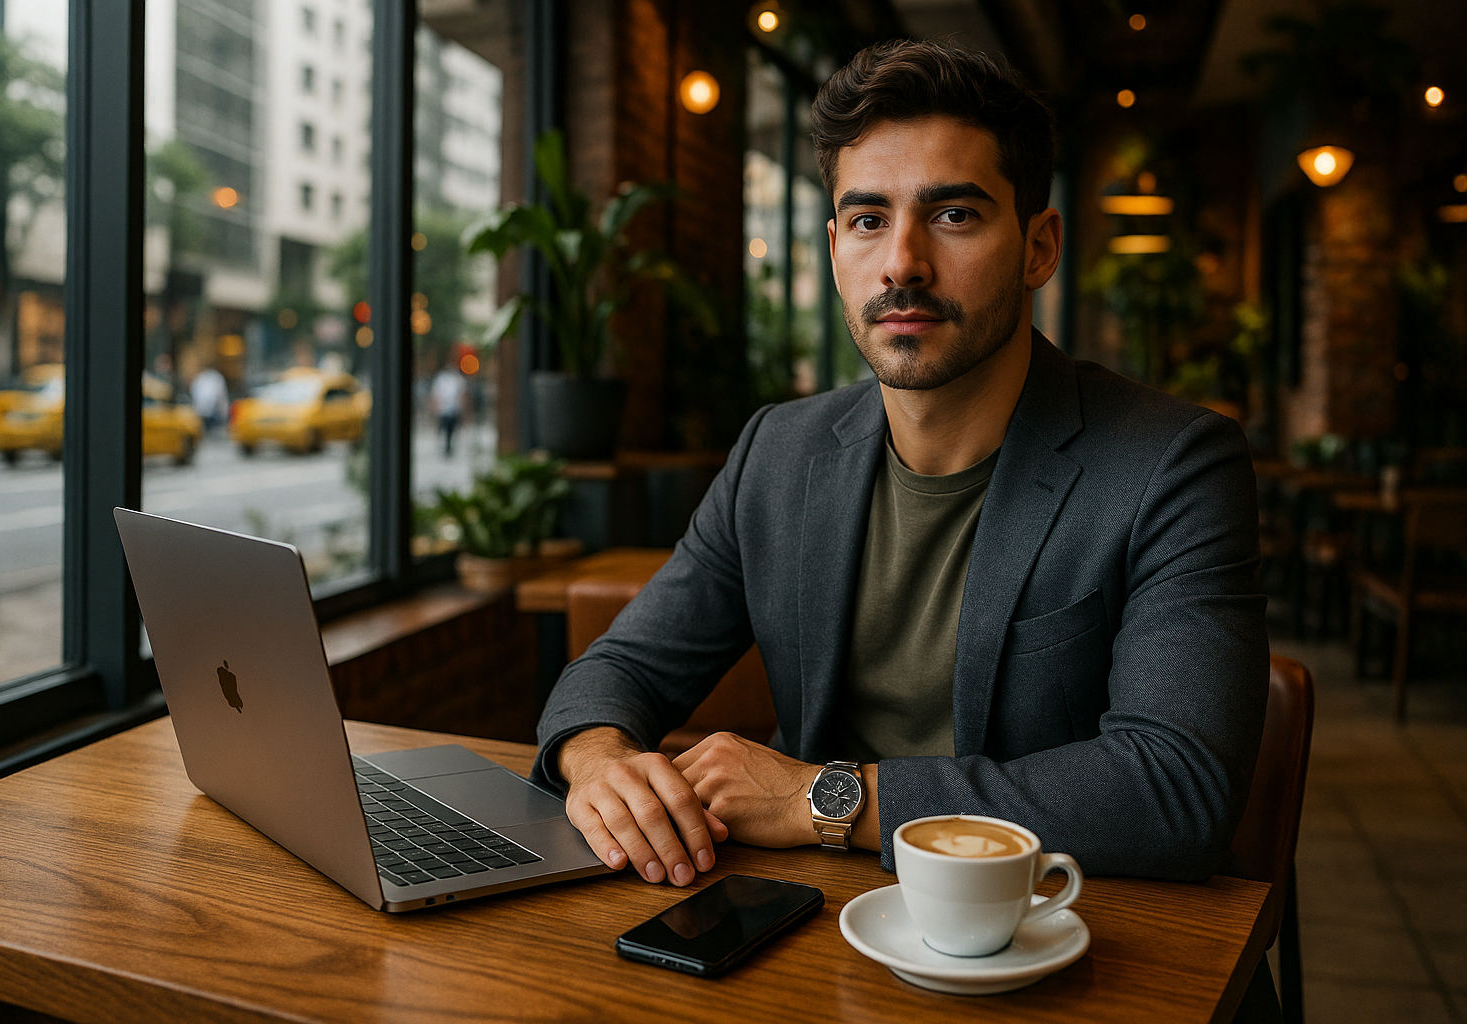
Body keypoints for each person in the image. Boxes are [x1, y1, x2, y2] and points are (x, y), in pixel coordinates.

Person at [533, 39, 1268, 900]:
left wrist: (823, 798)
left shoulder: (1173, 466)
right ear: (838, 244)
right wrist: (600, 760)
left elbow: (1173, 787)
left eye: (954, 214)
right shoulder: (778, 450)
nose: (902, 264)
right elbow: (618, 670)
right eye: (867, 218)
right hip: (809, 926)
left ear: (1038, 247)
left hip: (1055, 936)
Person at [430, 365, 465, 457]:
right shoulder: (441, 380)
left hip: (453, 410)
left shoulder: (457, 379)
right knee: (443, 428)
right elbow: (436, 395)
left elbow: (461, 395)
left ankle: (448, 447)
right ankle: (445, 446)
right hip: (443, 409)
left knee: (451, 429)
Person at [190, 365, 230, 430]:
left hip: (201, 413)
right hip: (211, 414)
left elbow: (194, 392)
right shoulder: (216, 377)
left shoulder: (200, 377)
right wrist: (224, 414)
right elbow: (221, 397)